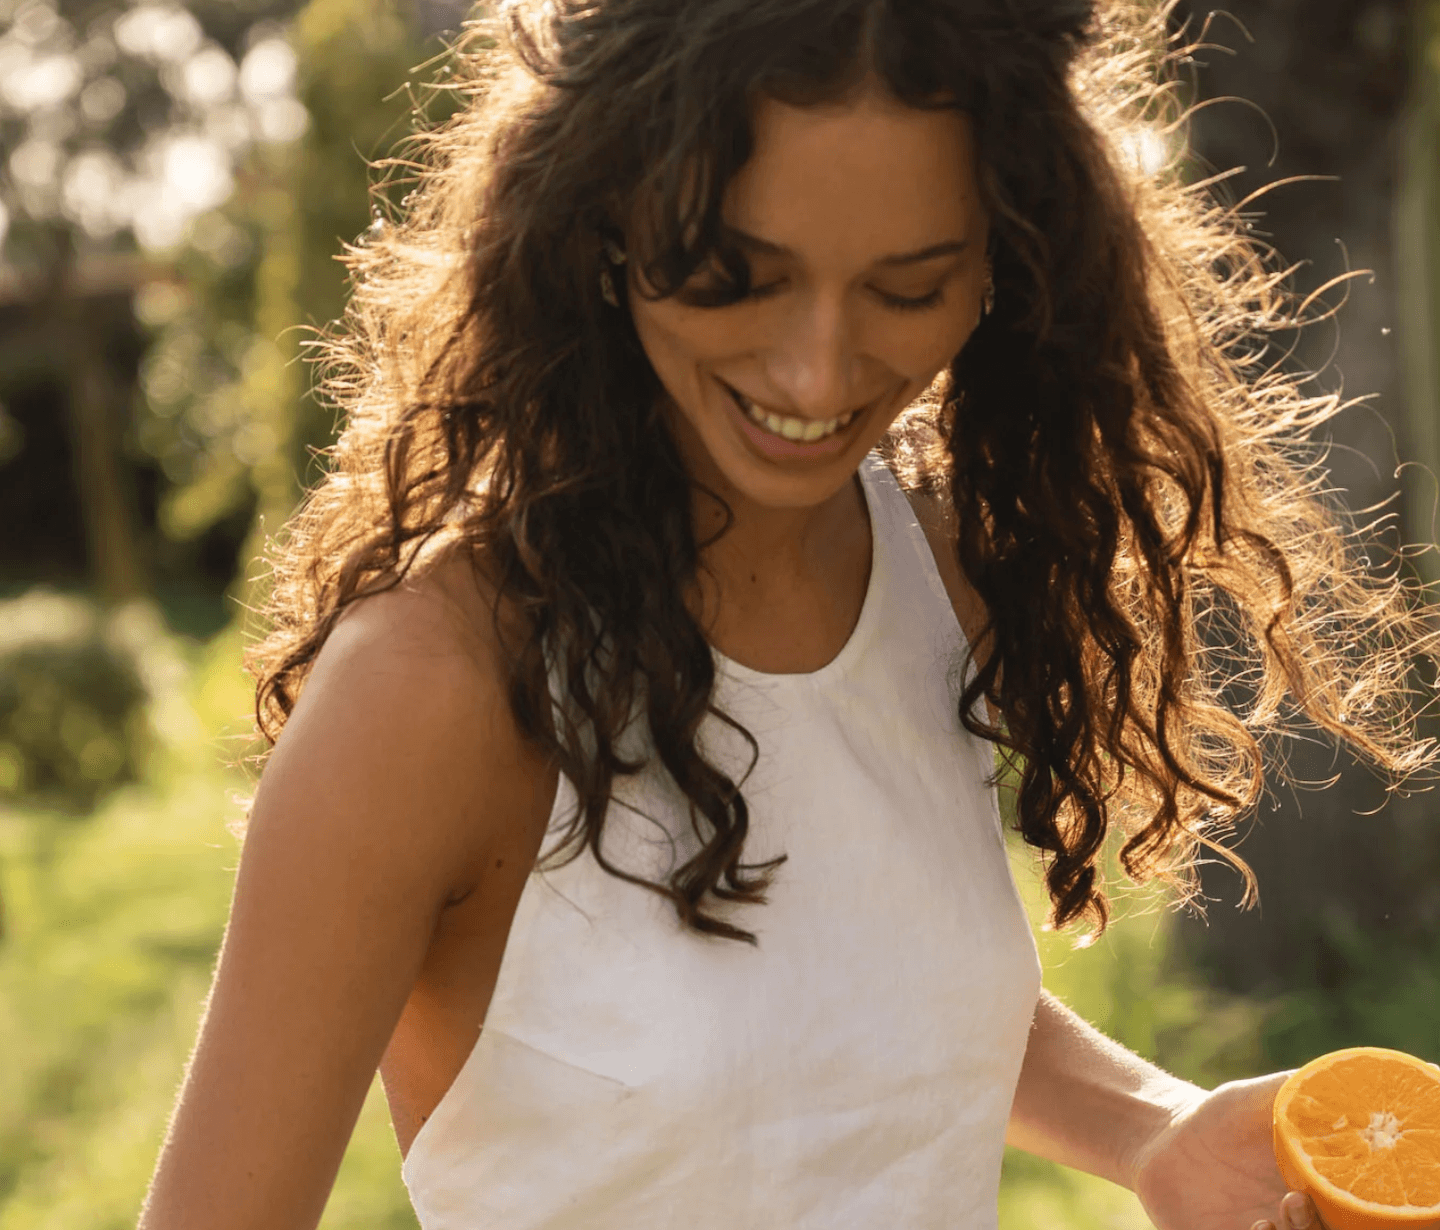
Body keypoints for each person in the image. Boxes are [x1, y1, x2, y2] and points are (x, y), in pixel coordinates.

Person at [138, 0, 1438, 1227]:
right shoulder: (435, 687)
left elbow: (840, 999)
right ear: (605, 216)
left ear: (1009, 259)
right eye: (734, 273)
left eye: (906, 288)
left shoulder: (936, 565)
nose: (818, 368)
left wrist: (1154, 1128)